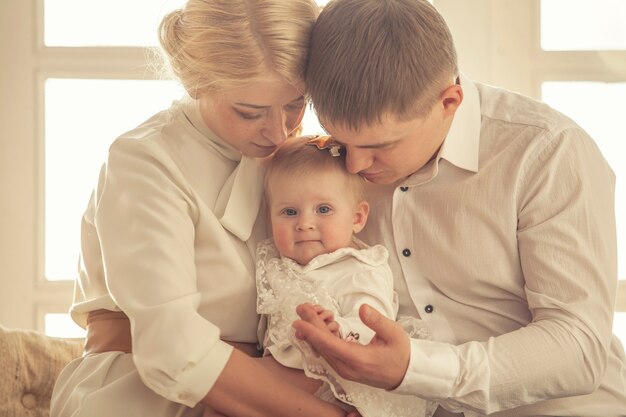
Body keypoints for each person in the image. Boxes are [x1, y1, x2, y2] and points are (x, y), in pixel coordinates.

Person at [292, 0, 626, 416]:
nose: (355, 166)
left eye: (381, 146)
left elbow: (578, 347)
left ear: (449, 101)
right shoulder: (322, 168)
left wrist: (415, 368)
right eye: (340, 140)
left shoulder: (548, 151)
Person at [50, 1, 354, 416]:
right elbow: (173, 351)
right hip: (143, 394)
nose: (279, 130)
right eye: (250, 112)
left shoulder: (299, 155)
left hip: (269, 388)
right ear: (195, 82)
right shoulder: (144, 161)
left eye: (296, 104)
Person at [255, 136, 431, 417]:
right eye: (289, 212)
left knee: (231, 388)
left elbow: (374, 329)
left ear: (357, 218)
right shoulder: (277, 260)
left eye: (323, 210)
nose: (304, 224)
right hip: (290, 370)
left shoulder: (357, 269)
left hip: (336, 379)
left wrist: (335, 328)